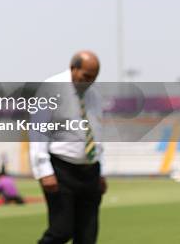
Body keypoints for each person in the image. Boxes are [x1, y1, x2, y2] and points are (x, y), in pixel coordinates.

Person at [30, 51, 107, 244]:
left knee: (87, 237)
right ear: (74, 68)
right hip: (62, 170)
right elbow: (38, 131)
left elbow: (96, 133)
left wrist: (101, 171)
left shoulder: (94, 95)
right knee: (61, 231)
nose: (90, 81)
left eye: (94, 77)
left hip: (90, 172)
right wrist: (43, 171)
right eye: (86, 76)